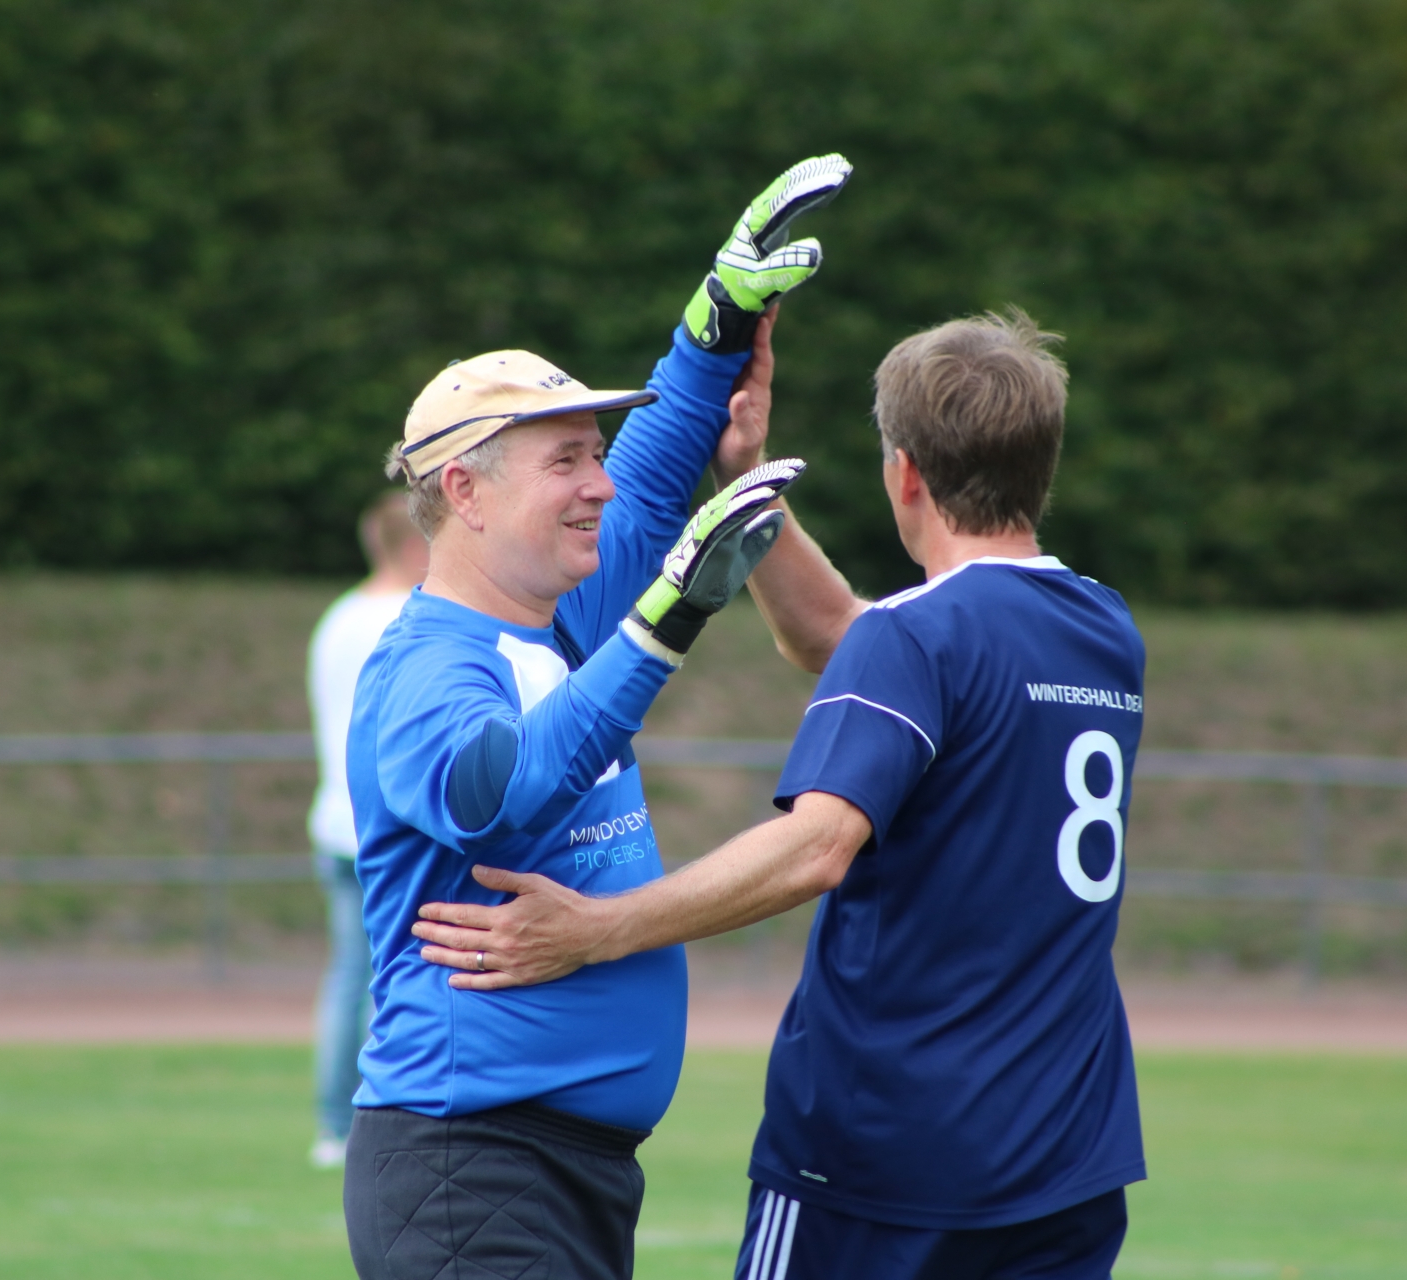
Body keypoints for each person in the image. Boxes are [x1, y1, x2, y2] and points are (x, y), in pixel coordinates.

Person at [413, 310, 1148, 1280]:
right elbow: (837, 636)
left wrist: (601, 928)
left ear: (905, 474)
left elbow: (817, 845)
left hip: (891, 1139)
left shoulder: (915, 637)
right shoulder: (1102, 625)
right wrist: (746, 481)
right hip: (1069, 1144)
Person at [342, 156, 855, 1280]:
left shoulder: (555, 618)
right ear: (465, 493)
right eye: (566, 461)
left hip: (551, 1169)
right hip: (467, 1169)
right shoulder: (422, 668)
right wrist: (664, 622)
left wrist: (720, 316)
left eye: (594, 454)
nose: (601, 484)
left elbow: (663, 462)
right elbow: (498, 789)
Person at [305, 492, 430, 1169]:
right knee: (395, 980)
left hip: (333, 822)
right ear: (413, 546)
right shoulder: (406, 619)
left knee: (348, 977)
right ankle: (383, 1116)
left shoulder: (337, 617)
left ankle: (333, 1126)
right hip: (386, 831)